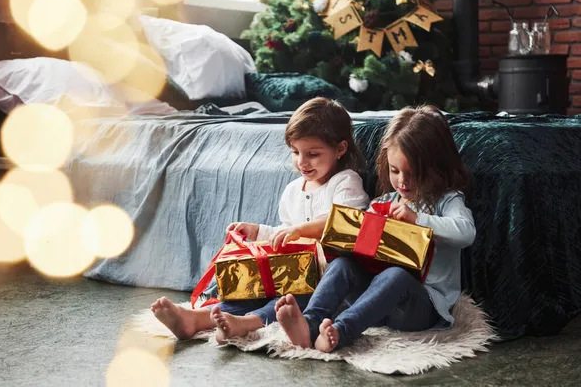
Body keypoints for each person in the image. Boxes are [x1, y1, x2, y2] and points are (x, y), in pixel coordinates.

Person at [150, 97, 370, 344]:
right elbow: (285, 231)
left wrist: (301, 230)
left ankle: (246, 324)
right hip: (291, 271)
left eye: (313, 154)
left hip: (327, 280)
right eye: (295, 152)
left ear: (340, 149)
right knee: (252, 289)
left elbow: (345, 221)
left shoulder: (346, 181)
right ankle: (197, 318)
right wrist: (257, 231)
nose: (302, 162)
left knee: (290, 300)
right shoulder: (293, 190)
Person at [275, 105, 476, 352]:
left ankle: (341, 331)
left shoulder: (447, 200)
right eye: (394, 171)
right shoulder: (383, 203)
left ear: (436, 166)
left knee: (396, 276)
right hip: (376, 304)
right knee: (342, 265)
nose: (402, 181)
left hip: (422, 307)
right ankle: (309, 324)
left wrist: (419, 220)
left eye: (412, 173)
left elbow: (466, 232)